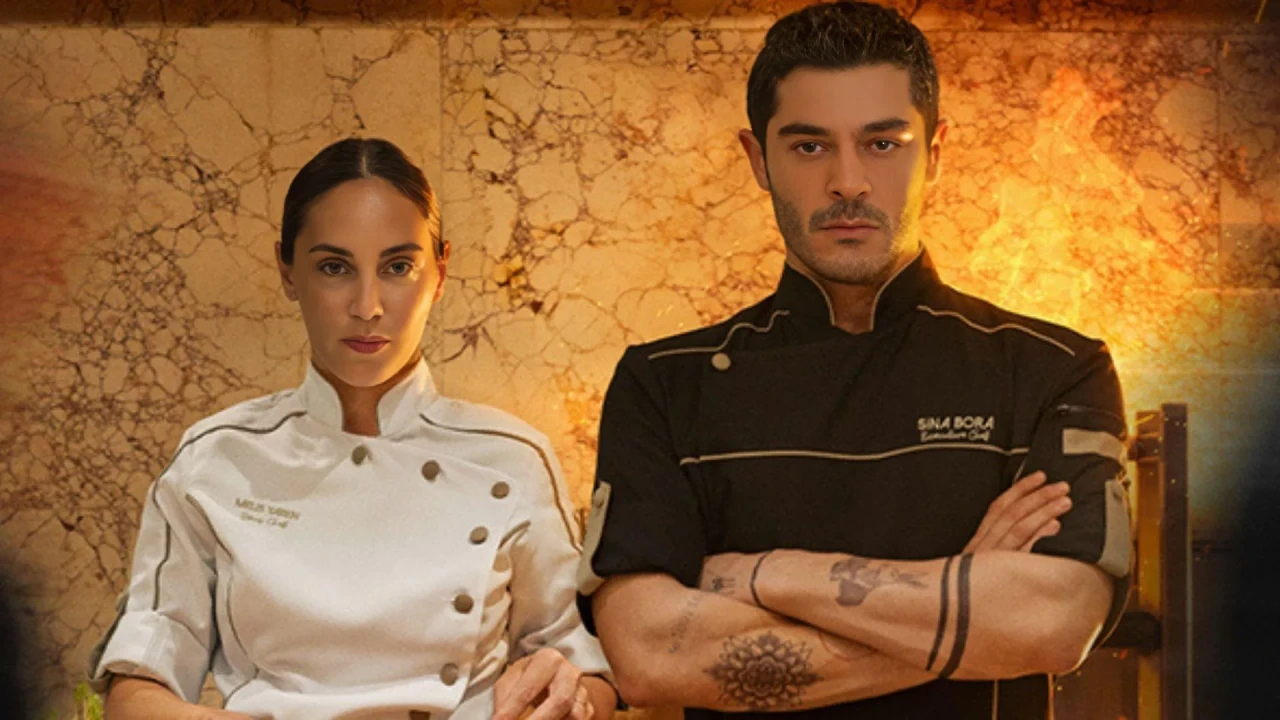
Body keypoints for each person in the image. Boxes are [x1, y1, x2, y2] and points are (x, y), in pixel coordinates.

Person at [577, 3, 1131, 718]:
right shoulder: (663, 383)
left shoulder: (1054, 368)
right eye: (810, 146)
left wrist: (769, 575)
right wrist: (970, 602)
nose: (848, 182)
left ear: (936, 154)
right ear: (758, 160)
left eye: (883, 143)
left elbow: (1053, 624)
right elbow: (652, 657)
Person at [88, 138, 616, 720]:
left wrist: (569, 698)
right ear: (288, 271)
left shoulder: (514, 458)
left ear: (440, 273)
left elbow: (585, 671)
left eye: (398, 267)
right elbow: (135, 694)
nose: (368, 307)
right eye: (334, 267)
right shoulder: (215, 458)